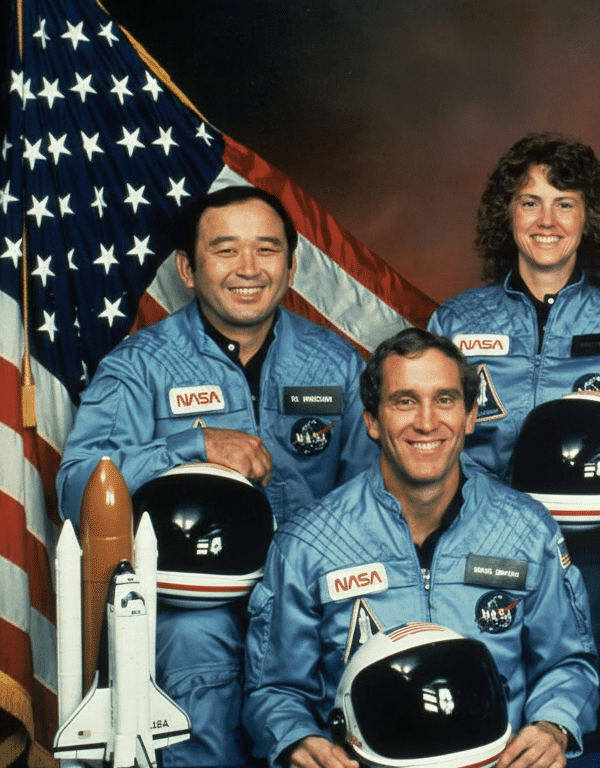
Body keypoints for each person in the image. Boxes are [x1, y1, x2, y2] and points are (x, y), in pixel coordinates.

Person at [55, 185, 377, 766]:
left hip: (310, 596)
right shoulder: (139, 368)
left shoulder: (335, 363)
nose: (249, 269)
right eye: (226, 250)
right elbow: (78, 484)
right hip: (193, 604)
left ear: (292, 264)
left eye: (267, 249)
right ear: (187, 268)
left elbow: (374, 493)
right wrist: (192, 444)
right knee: (194, 648)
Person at [429, 132, 600, 748]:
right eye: (530, 202)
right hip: (485, 547)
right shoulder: (455, 322)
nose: (547, 220)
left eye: (565, 202)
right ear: (507, 216)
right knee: (489, 717)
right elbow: (425, 438)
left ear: (590, 218)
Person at [243, 327, 598, 768]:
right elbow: (274, 688)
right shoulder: (309, 543)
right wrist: (296, 739)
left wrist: (553, 725)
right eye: (404, 401)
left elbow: (568, 661)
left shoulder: (526, 530)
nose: (427, 422)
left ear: (471, 416)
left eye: (445, 400)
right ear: (372, 420)